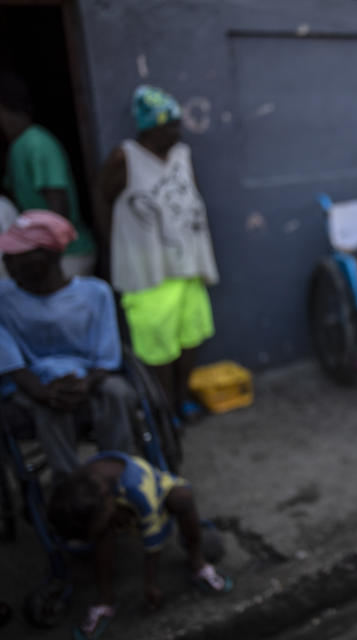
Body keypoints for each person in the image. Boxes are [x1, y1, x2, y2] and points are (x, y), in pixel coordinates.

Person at [96, 85, 219, 419]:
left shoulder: (182, 154)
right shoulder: (125, 157)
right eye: (169, 126)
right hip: (148, 274)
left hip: (187, 266)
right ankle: (165, 410)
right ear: (149, 127)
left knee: (189, 337)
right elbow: (102, 200)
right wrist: (114, 248)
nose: (175, 132)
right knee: (157, 349)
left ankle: (181, 400)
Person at [0, 211, 137, 478]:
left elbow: (107, 358)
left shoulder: (95, 294)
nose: (7, 262)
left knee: (118, 393)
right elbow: (11, 362)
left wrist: (86, 384)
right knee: (48, 405)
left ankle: (119, 473)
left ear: (49, 257)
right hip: (31, 386)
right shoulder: (3, 300)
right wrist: (43, 392)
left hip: (91, 380)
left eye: (17, 255)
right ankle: (71, 484)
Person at [47, 450, 233, 639]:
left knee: (182, 496)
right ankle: (105, 600)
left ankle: (198, 562)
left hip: (157, 496)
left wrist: (150, 584)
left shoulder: (139, 490)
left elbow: (153, 541)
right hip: (118, 505)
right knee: (102, 533)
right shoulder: (84, 483)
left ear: (108, 501)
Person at [0, 71, 97, 277]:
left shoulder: (37, 143)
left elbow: (58, 202)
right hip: (45, 254)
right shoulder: (17, 147)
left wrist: (50, 257)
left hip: (67, 254)